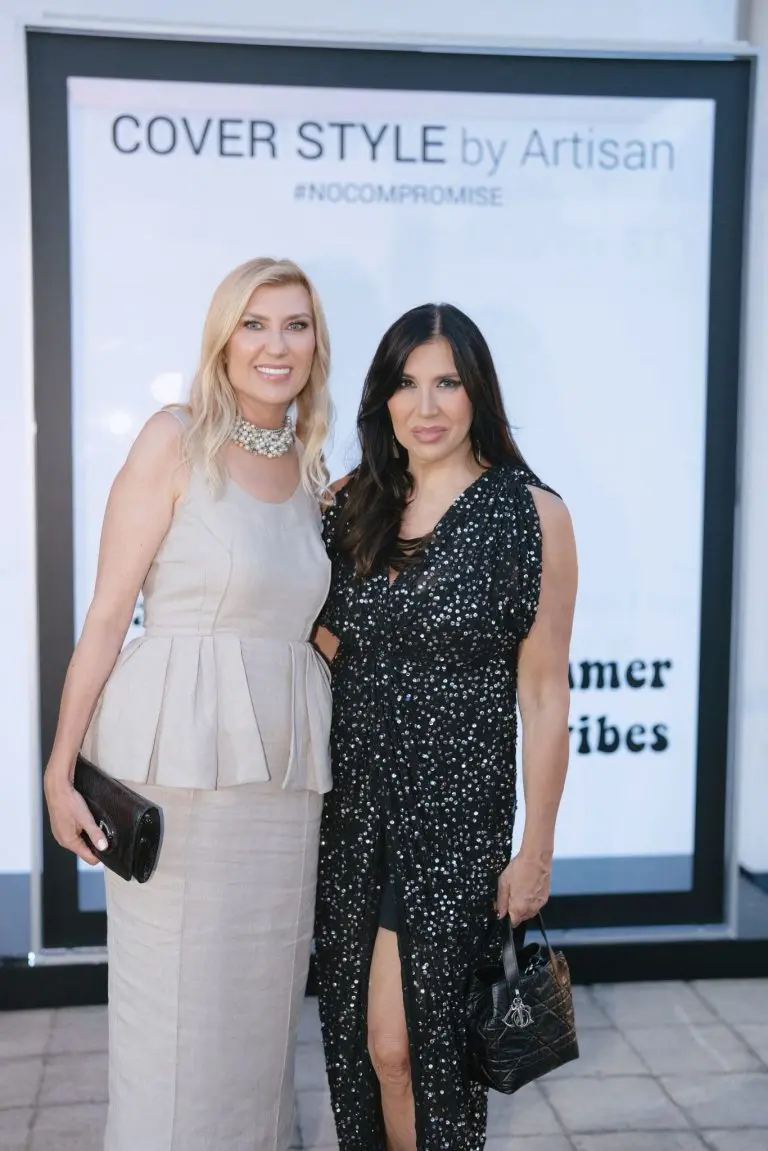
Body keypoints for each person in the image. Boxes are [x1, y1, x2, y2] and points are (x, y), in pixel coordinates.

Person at [43, 257, 334, 1151]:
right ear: (222, 339)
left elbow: (312, 632)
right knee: (174, 1023)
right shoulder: (174, 439)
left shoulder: (315, 474)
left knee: (259, 1023)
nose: (276, 345)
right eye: (255, 323)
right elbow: (105, 616)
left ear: (316, 345)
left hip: (282, 788)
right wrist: (58, 772)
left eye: (295, 325)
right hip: (175, 770)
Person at [313, 303, 577, 1151]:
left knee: (410, 1046)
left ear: (478, 394)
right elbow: (316, 653)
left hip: (455, 822)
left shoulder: (530, 514)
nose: (425, 406)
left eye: (447, 383)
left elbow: (545, 695)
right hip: (349, 814)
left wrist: (537, 848)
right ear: (383, 398)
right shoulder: (350, 504)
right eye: (406, 384)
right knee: (361, 1048)